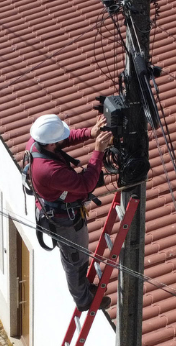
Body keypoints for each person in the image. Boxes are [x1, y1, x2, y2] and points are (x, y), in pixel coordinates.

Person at [26, 114, 112, 312]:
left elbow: (64, 139)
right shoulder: (49, 170)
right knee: (75, 261)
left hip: (57, 209)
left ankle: (83, 288)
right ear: (50, 144)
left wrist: (90, 133)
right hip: (64, 220)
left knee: (77, 258)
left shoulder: (35, 142)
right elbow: (86, 184)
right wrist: (98, 152)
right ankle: (83, 300)